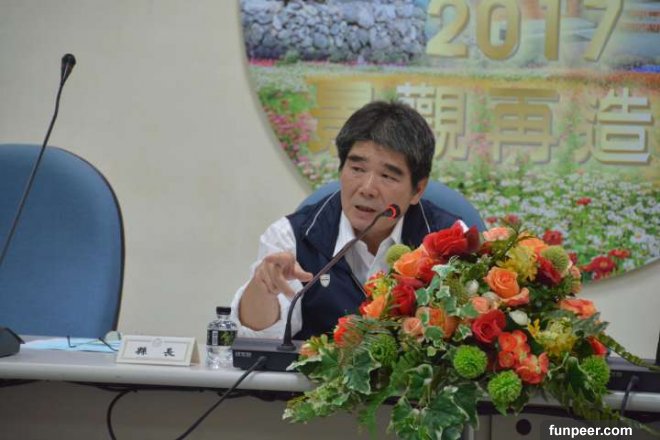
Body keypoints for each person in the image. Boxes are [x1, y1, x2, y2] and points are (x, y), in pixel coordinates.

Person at [230, 100, 464, 340]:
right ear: (341, 169)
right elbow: (258, 340)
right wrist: (263, 287)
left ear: (418, 190)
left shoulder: (452, 240)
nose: (367, 189)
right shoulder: (291, 236)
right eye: (357, 169)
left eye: (387, 176)